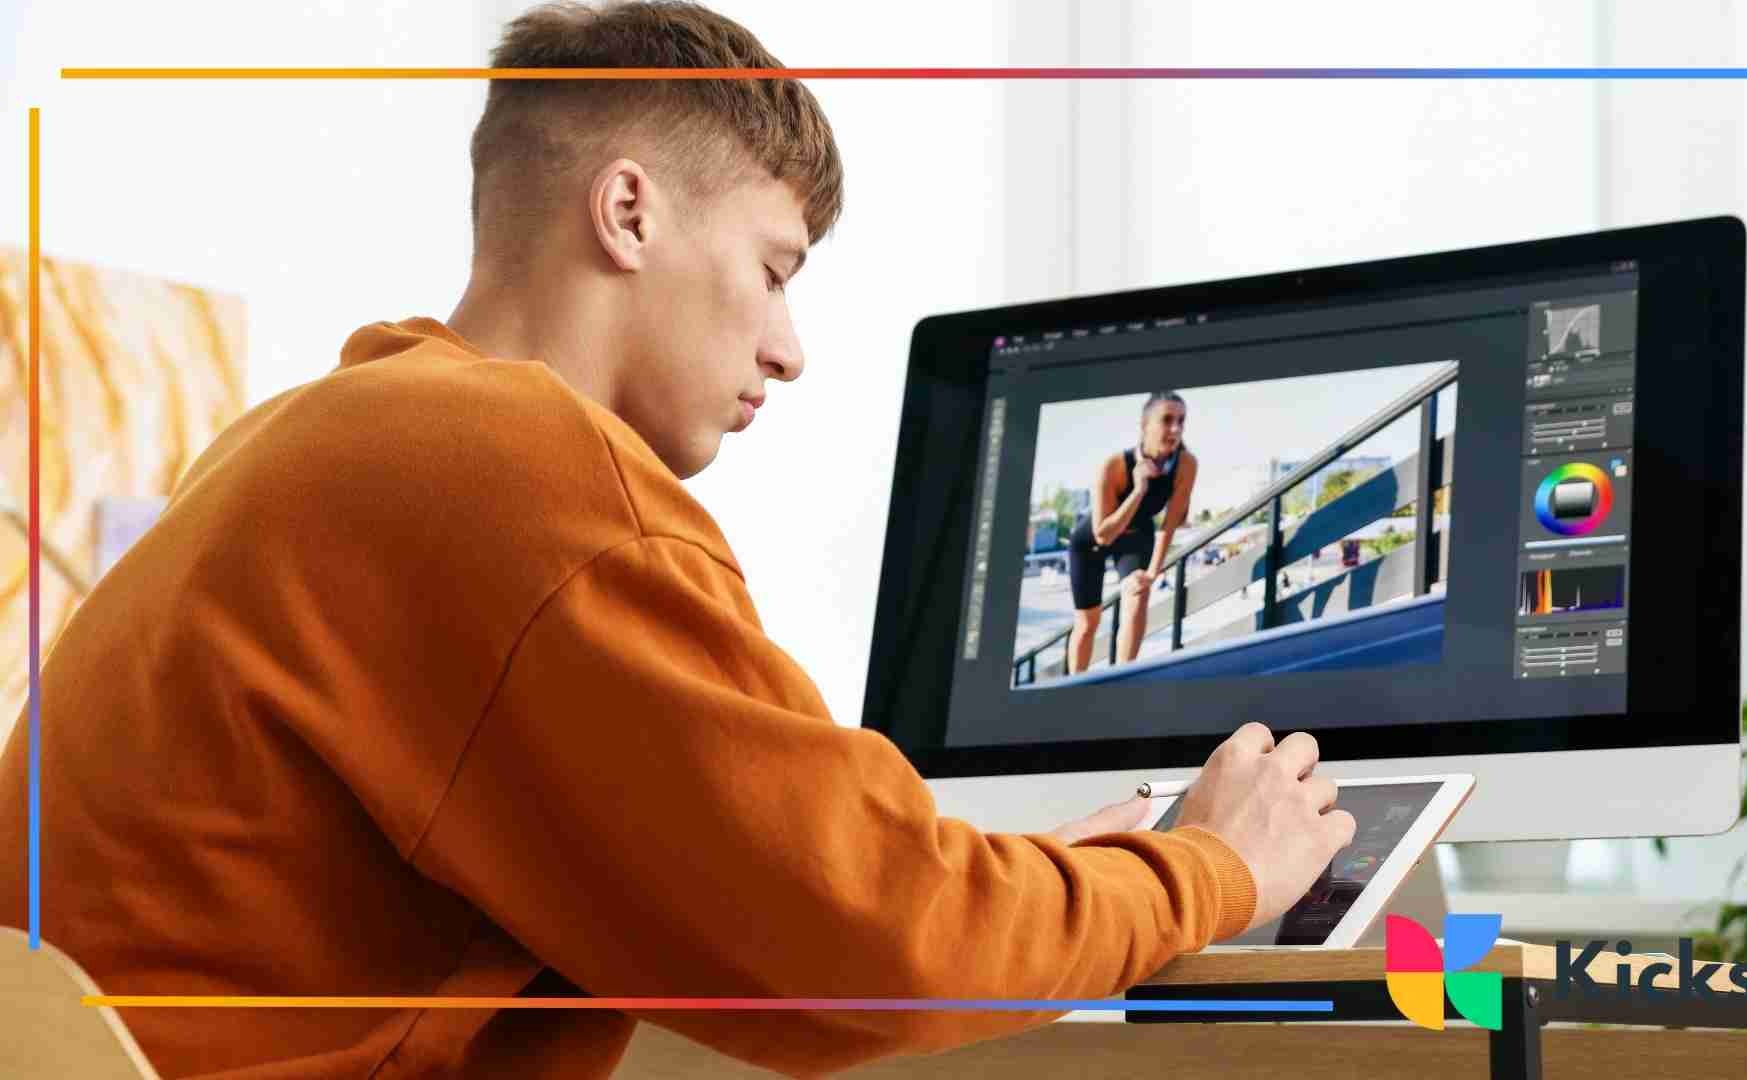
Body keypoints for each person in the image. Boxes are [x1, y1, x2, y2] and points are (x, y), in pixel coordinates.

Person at [0, 4, 1354, 1078]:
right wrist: (1209, 871)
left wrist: (1026, 887)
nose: (790, 348)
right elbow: (883, 943)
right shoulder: (518, 473)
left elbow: (809, 895)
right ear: (630, 210)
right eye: (774, 270)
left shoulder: (313, 435)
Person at [1065, 391, 1200, 673]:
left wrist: (1152, 573)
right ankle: (1074, 688)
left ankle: (1122, 679)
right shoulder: (1114, 466)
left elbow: (1170, 522)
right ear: (1145, 425)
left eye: (1181, 421)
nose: (1175, 428)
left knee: (1138, 595)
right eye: (1167, 420)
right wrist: (1139, 490)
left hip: (1137, 537)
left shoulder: (1186, 464)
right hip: (1092, 541)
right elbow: (1103, 534)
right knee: (1089, 622)